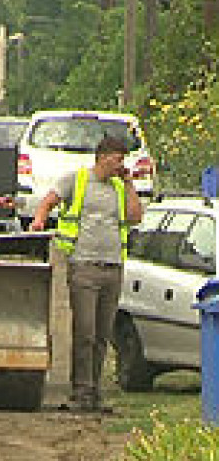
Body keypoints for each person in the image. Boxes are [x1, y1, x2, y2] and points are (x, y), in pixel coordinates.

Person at [30, 134, 143, 413]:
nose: (120, 165)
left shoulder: (119, 187)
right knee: (85, 331)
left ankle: (94, 392)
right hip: (84, 266)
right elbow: (48, 201)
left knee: (103, 334)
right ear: (103, 157)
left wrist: (129, 184)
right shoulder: (77, 180)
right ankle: (80, 390)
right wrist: (39, 218)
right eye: (118, 160)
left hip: (112, 267)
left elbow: (134, 216)